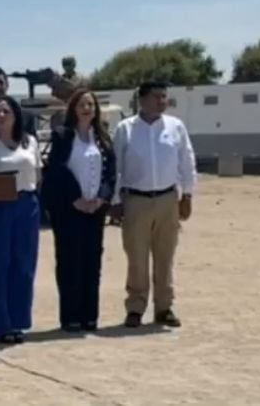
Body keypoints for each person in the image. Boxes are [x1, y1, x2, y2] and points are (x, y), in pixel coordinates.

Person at [111, 82, 197, 329]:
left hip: (167, 200)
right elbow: (116, 168)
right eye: (156, 97)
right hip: (135, 201)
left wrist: (187, 195)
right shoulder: (125, 129)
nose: (162, 101)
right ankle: (135, 307)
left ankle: (164, 307)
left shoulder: (175, 127)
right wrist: (115, 201)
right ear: (142, 100)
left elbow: (187, 161)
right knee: (136, 258)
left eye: (164, 97)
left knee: (165, 256)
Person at [42, 88, 116, 332]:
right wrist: (75, 198)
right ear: (73, 108)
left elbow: (110, 172)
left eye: (90, 105)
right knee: (69, 262)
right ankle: (70, 316)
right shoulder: (63, 135)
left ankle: (89, 316)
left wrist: (102, 197)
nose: (87, 108)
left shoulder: (103, 138)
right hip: (69, 209)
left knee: (92, 262)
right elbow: (57, 170)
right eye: (82, 104)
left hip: (95, 209)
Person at [0, 95, 42, 343]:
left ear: (16, 115)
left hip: (27, 204)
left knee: (24, 264)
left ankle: (18, 321)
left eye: (6, 112)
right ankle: (0, 324)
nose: (1, 116)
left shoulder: (30, 141)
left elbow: (37, 173)